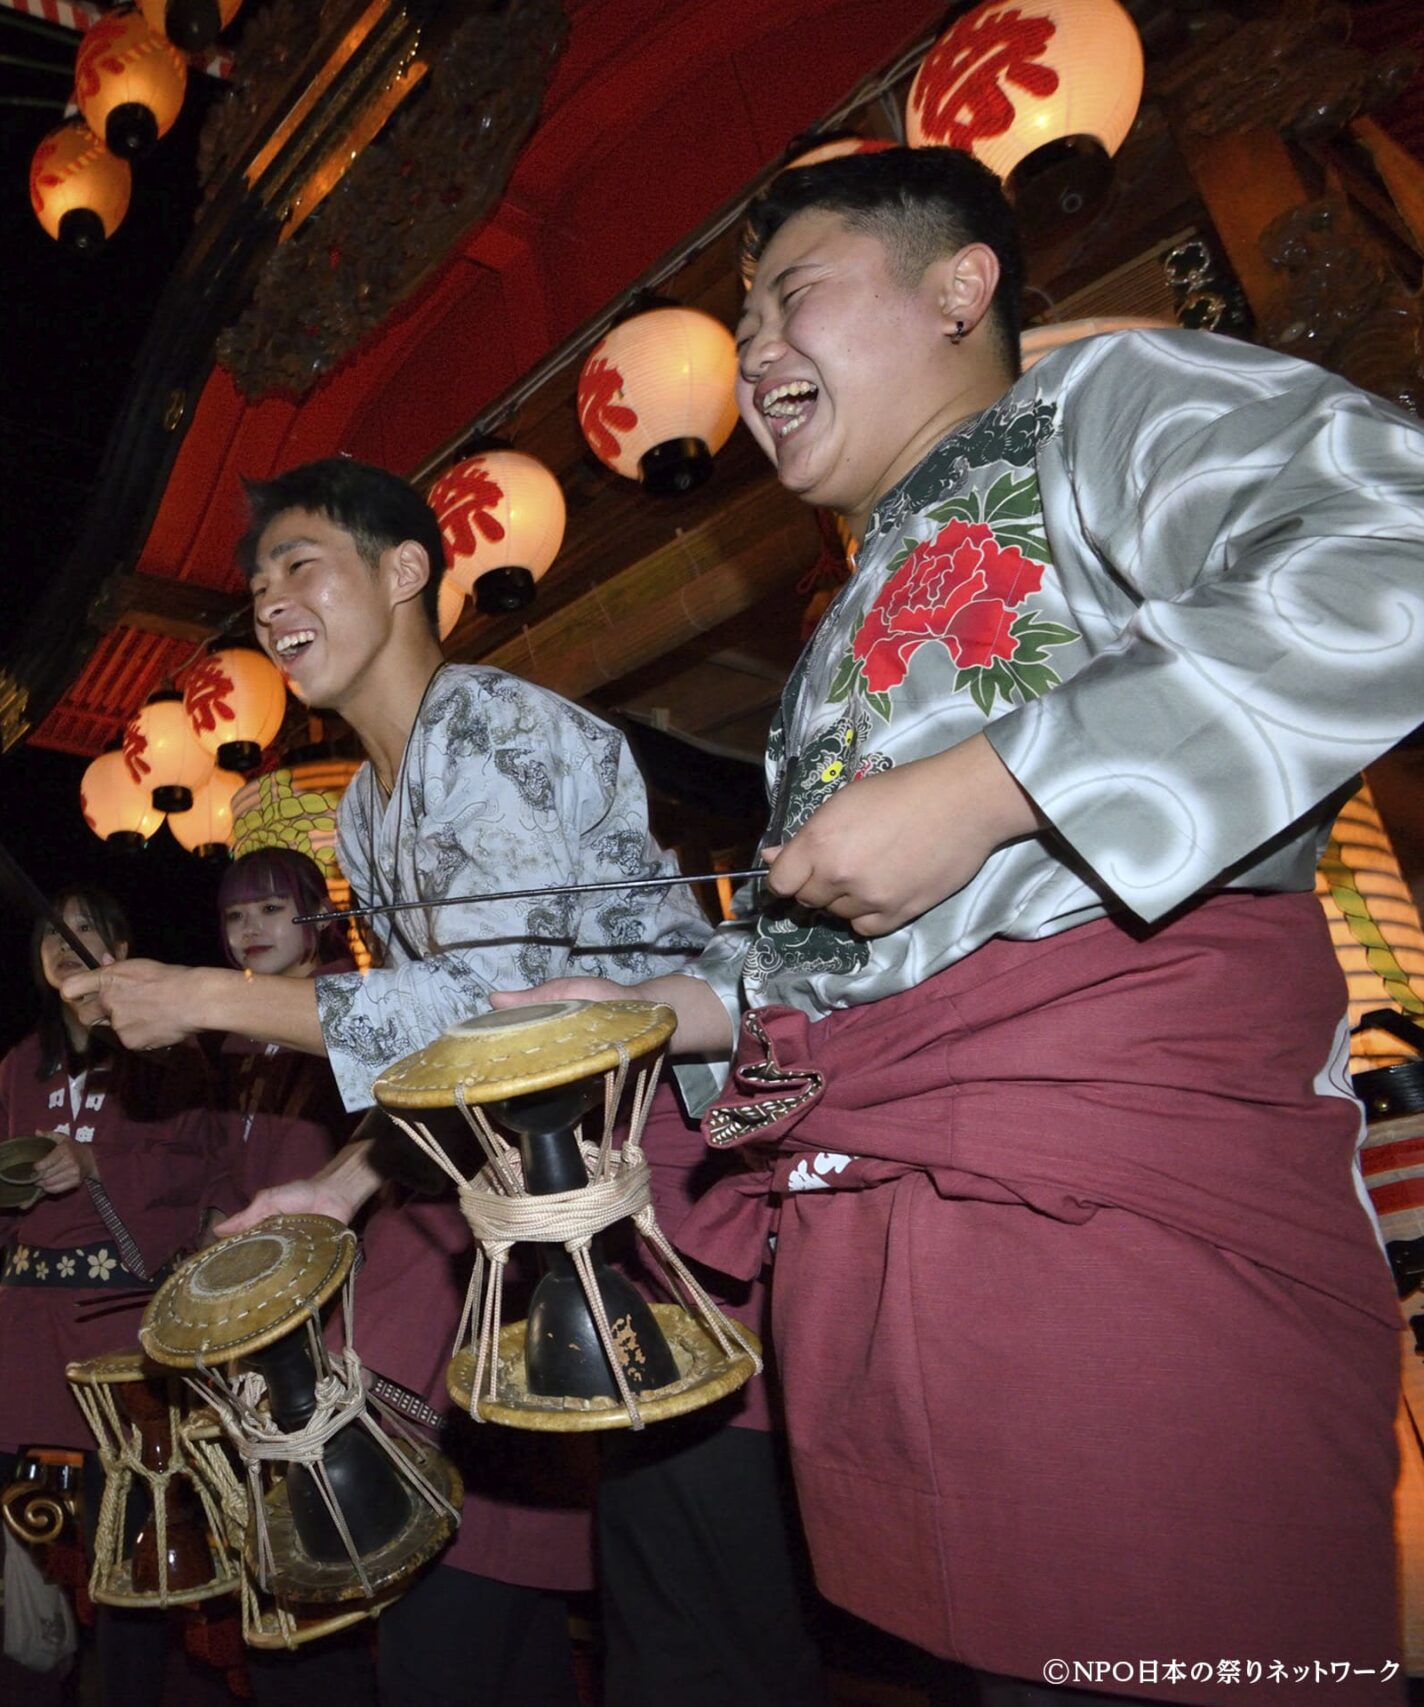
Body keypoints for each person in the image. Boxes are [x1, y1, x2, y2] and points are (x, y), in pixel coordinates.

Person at [511, 146, 1424, 1704]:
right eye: (741, 319)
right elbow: (845, 946)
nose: (756, 349)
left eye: (794, 292)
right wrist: (657, 1006)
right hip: (896, 1247)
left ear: (960, 284)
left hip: (1119, 1225)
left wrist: (999, 781)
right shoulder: (837, 634)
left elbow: (1392, 541)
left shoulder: (1101, 401)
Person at [67, 459, 821, 1706]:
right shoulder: (367, 807)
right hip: (544, 1207)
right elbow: (453, 1065)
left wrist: (205, 997)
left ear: (406, 569)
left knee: (703, 1611)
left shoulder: (493, 727)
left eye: (300, 564)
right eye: (256, 584)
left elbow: (501, 1008)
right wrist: (334, 1186)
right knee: (612, 1612)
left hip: (656, 1188)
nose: (269, 602)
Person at [0, 889, 228, 1707]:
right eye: (49, 931)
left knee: (119, 1556)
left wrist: (94, 1170)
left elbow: (198, 1168)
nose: (62, 942)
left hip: (118, 1317)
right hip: (21, 1315)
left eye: (82, 927)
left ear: (119, 943)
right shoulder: (21, 1063)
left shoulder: (167, 1054)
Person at [208, 846, 356, 1207]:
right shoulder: (238, 1029)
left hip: (331, 1226)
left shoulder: (357, 1010)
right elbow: (223, 1147)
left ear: (321, 915)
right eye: (235, 915)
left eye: (271, 908)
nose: (250, 929)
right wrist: (218, 1209)